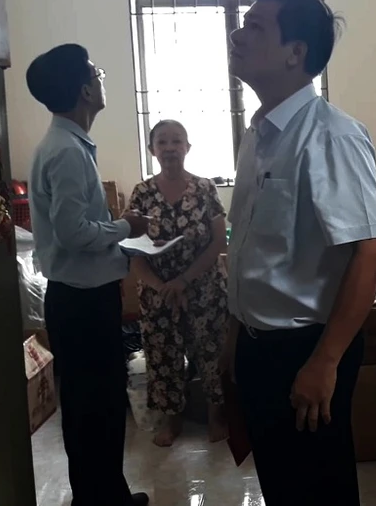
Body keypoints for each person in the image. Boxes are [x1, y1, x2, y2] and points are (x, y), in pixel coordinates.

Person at [220, 0, 376, 506]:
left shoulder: (331, 136)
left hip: (306, 349)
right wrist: (234, 341)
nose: (237, 35)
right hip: (257, 345)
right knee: (282, 487)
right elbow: (251, 250)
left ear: (296, 52)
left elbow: (372, 254)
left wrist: (324, 362)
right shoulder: (258, 135)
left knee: (318, 491)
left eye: (255, 26)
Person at [26, 44, 150, 506]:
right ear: (84, 90)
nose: (101, 79)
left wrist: (115, 231)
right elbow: (74, 232)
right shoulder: (66, 151)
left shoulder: (66, 144)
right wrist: (127, 227)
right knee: (94, 408)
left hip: (80, 296)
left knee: (95, 407)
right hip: (83, 302)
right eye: (96, 72)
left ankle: (105, 496)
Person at [127, 120, 229, 447]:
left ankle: (216, 417)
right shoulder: (142, 193)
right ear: (151, 149)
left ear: (188, 147)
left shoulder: (205, 189)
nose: (170, 148)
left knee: (211, 352)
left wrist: (184, 280)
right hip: (158, 291)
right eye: (162, 142)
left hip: (204, 287)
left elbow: (218, 242)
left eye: (177, 141)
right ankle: (172, 422)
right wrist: (163, 287)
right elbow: (132, 250)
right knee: (163, 357)